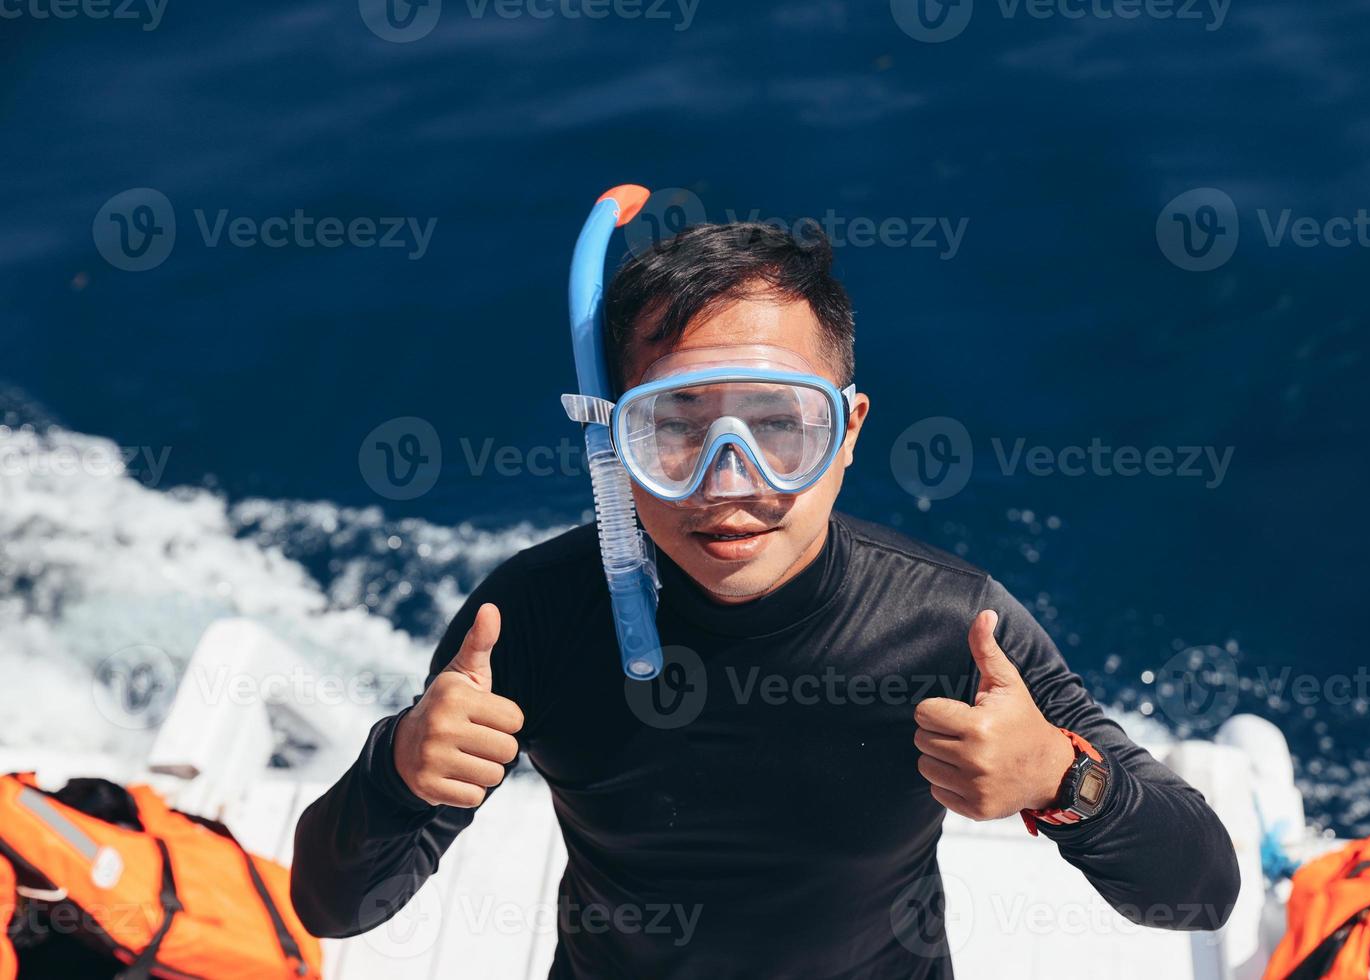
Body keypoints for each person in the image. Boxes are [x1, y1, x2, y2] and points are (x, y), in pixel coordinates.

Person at [290, 218, 1241, 979]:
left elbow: (1199, 895)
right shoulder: (530, 619)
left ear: (850, 431)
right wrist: (399, 770)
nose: (726, 482)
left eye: (779, 426)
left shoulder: (952, 628)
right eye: (675, 428)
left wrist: (1066, 782)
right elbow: (332, 908)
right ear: (611, 449)